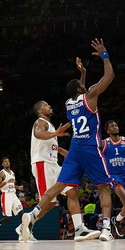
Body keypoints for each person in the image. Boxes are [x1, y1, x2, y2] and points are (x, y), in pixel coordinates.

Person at [21, 38, 115, 242]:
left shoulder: (68, 103)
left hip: (74, 150)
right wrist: (104, 55)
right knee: (104, 187)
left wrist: (82, 74)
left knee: (63, 188)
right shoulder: (88, 97)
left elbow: (79, 90)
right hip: (90, 147)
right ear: (82, 89)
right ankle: (106, 229)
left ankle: (35, 214)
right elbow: (109, 76)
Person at [28, 99, 97, 242]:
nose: (50, 106)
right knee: (48, 203)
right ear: (40, 111)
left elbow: (48, 143)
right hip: (43, 164)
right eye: (46, 105)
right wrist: (56, 134)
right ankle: (26, 225)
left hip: (54, 164)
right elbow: (39, 134)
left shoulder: (51, 125)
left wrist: (61, 150)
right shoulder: (40, 122)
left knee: (71, 190)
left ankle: (79, 229)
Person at [0, 157, 25, 239]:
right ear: (2, 164)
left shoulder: (12, 172)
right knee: (8, 218)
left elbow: (11, 185)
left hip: (13, 195)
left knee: (22, 213)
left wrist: (18, 187)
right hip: (6, 195)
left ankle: (21, 232)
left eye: (8, 161)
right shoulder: (1, 173)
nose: (7, 163)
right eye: (5, 162)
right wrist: (6, 181)